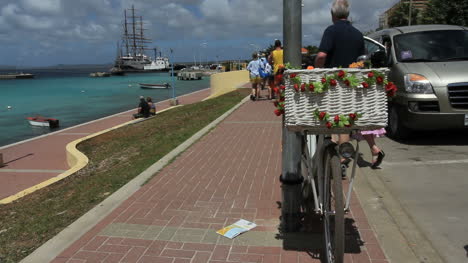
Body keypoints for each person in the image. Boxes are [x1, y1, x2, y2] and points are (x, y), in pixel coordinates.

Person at [315, 0, 385, 169]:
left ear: (333, 15)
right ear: (347, 14)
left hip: (334, 82)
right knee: (353, 116)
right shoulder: (357, 33)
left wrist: (316, 68)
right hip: (354, 82)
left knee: (339, 119)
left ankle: (342, 156)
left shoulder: (331, 31)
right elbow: (362, 60)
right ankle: (374, 149)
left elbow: (322, 55)